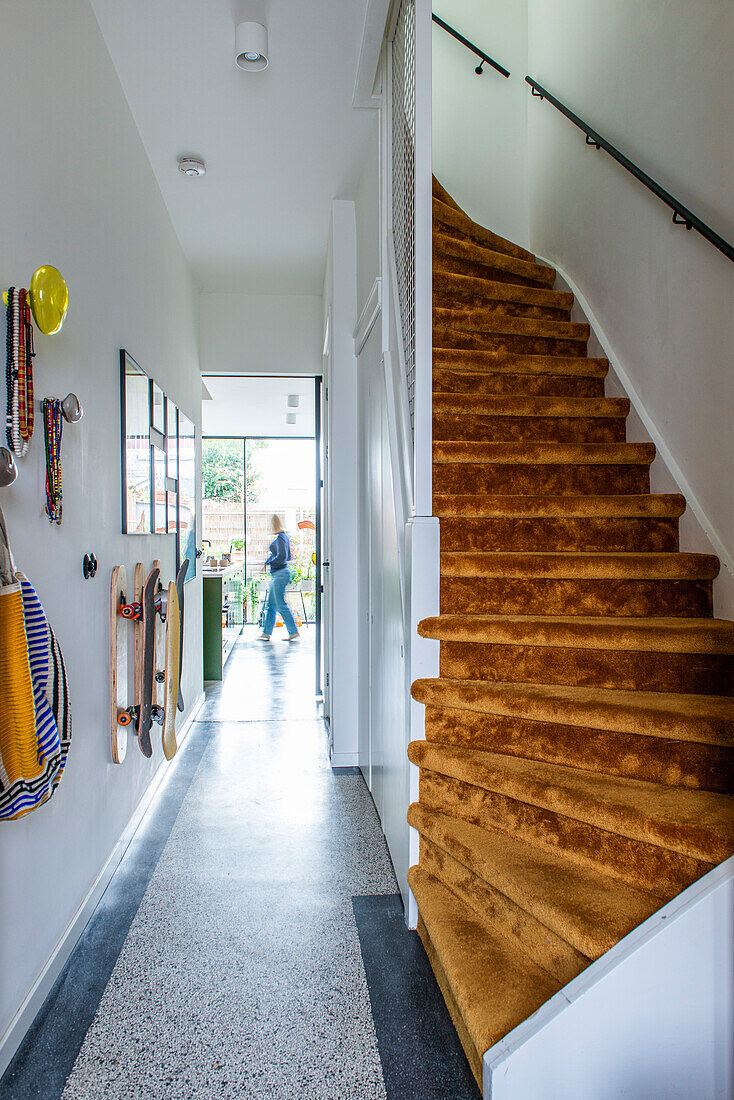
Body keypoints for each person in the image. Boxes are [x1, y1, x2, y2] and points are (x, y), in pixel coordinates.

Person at [258, 515, 300, 642]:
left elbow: (283, 557)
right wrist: (268, 562)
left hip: (280, 574)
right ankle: (266, 633)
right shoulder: (282, 538)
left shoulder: (281, 538)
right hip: (279, 574)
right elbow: (282, 556)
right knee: (271, 605)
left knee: (280, 605)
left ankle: (293, 631)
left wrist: (271, 562)